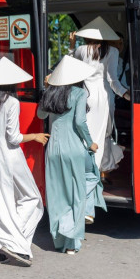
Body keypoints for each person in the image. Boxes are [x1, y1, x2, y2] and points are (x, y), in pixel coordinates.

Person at [0, 57, 47, 267]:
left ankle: (1, 241)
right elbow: (14, 138)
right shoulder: (11, 102)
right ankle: (14, 242)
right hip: (11, 158)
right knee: (33, 199)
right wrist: (35, 136)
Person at [37, 55, 106, 254]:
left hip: (53, 149)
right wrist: (90, 142)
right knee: (78, 190)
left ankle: (59, 241)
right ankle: (72, 243)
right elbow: (79, 122)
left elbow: (41, 115)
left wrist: (46, 90)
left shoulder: (50, 93)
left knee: (57, 195)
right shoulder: (79, 93)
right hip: (73, 147)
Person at [69, 17, 128, 173]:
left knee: (86, 134)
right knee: (104, 135)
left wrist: (72, 46)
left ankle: (86, 170)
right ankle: (101, 170)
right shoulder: (113, 51)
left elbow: (71, 69)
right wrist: (125, 94)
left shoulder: (81, 50)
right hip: (104, 97)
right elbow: (112, 80)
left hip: (85, 96)